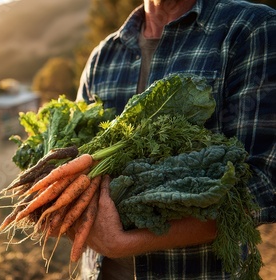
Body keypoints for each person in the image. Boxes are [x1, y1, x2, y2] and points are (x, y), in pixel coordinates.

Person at [74, 0, 276, 279]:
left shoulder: (250, 28)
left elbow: (263, 184)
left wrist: (125, 242)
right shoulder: (102, 56)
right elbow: (77, 166)